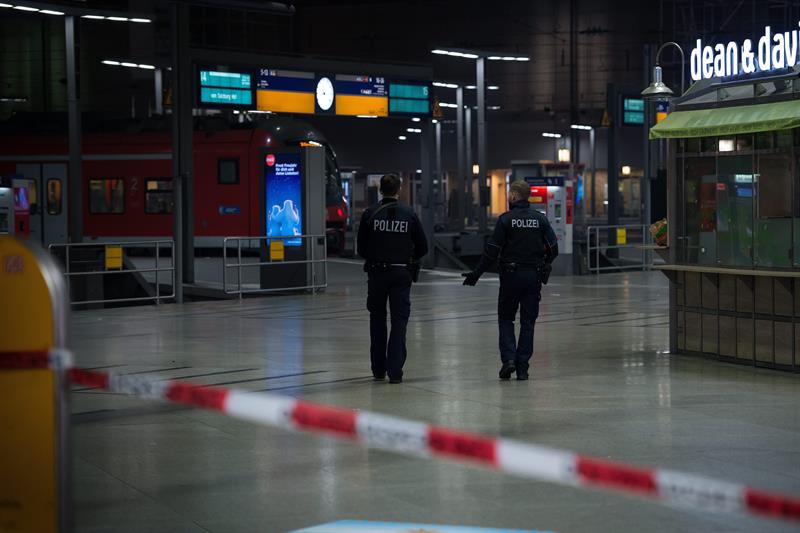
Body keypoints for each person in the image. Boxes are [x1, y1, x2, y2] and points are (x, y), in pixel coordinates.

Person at [461, 180, 558, 381]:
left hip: (510, 276)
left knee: (506, 318)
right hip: (533, 277)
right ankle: (522, 368)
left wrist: (476, 274)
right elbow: (553, 248)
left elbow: (492, 251)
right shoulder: (540, 219)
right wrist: (544, 264)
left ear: (514, 196)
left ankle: (509, 360)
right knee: (528, 322)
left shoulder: (505, 220)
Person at [357, 174, 428, 384]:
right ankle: (395, 370)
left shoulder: (370, 214)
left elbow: (361, 248)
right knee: (399, 321)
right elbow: (423, 246)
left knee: (377, 319)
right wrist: (409, 257)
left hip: (377, 273)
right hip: (401, 273)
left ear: (380, 190)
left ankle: (378, 369)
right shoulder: (409, 214)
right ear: (399, 189)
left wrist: (375, 256)